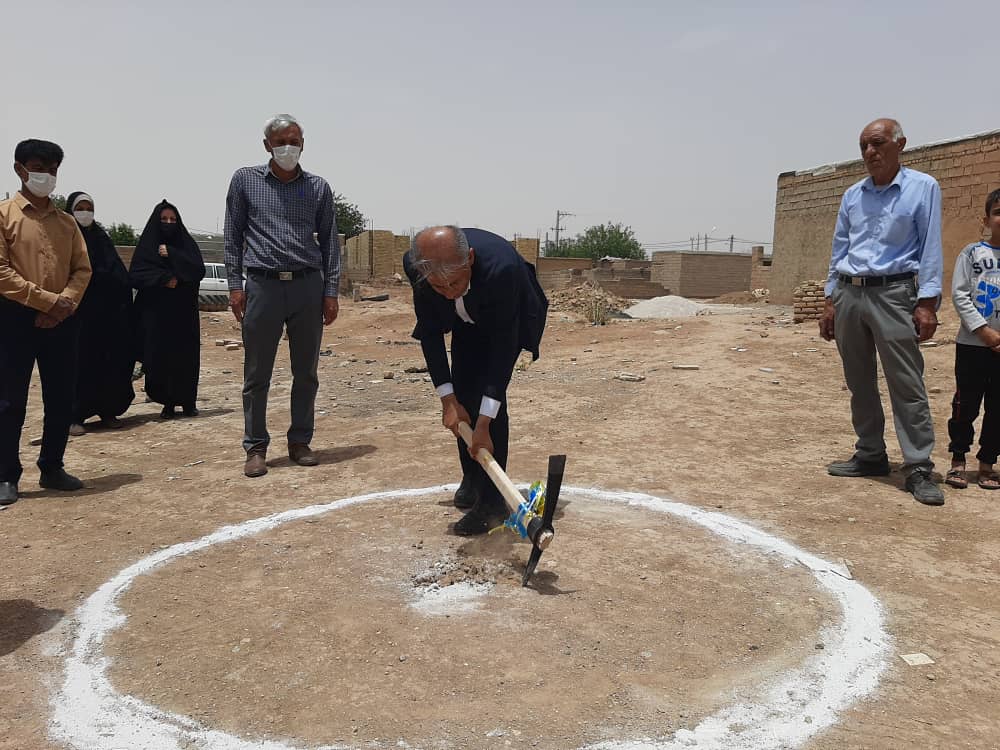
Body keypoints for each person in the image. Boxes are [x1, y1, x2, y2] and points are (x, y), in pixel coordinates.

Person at [819, 118, 944, 506]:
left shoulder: (923, 188)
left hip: (895, 293)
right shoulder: (853, 195)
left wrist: (927, 302)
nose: (870, 153)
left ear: (899, 144)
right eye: (863, 147)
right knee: (859, 381)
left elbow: (930, 248)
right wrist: (829, 299)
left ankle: (919, 465)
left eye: (876, 144)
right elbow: (841, 249)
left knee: (906, 382)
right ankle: (870, 454)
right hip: (850, 293)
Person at [403, 226, 548, 535]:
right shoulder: (417, 265)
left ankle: (493, 503)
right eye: (438, 287)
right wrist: (448, 400)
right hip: (465, 320)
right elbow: (429, 332)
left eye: (455, 282)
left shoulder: (502, 272)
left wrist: (483, 424)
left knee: (485, 394)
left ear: (469, 258)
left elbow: (501, 353)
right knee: (463, 389)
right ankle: (472, 478)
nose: (448, 291)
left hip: (504, 314)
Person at [224, 114, 341, 478]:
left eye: (295, 140)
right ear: (267, 146)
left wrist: (330, 291)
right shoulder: (245, 180)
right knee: (257, 373)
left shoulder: (317, 187)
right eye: (281, 141)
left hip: (307, 284)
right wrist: (234, 286)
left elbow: (330, 243)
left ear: (303, 143)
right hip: (263, 284)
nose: (288, 147)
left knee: (306, 371)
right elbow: (233, 235)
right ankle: (256, 447)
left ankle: (300, 441)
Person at [0, 139, 92, 506]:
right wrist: (47, 301)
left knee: (60, 397)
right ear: (20, 169)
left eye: (53, 169)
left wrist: (64, 304)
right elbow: (2, 273)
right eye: (40, 167)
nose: (47, 176)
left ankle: (52, 467)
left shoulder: (67, 223)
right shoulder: (5, 215)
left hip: (62, 321)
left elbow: (82, 269)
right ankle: (6, 475)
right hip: (14, 318)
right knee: (9, 400)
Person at [64, 192, 135, 435]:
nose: (85, 212)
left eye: (89, 207)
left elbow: (116, 273)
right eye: (80, 208)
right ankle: (74, 415)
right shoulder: (65, 237)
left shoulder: (101, 237)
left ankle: (107, 411)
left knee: (108, 363)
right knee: (79, 366)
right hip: (77, 316)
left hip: (107, 316)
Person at [129, 200, 204, 420]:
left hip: (183, 315)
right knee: (160, 359)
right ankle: (167, 403)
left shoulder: (185, 245)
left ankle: (188, 402)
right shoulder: (147, 247)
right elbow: (136, 275)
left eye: (173, 220)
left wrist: (171, 253)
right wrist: (163, 279)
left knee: (186, 359)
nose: (169, 223)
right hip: (158, 316)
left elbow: (197, 269)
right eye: (164, 220)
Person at [946, 188, 1000, 490]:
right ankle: (957, 459)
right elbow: (960, 295)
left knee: (998, 407)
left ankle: (988, 463)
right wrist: (985, 332)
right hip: (973, 345)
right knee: (965, 404)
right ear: (987, 219)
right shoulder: (971, 254)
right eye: (998, 212)